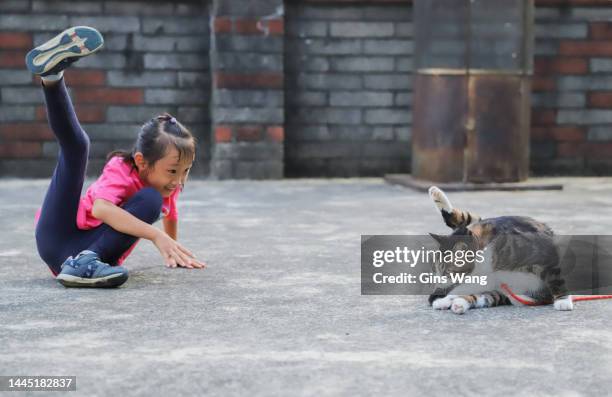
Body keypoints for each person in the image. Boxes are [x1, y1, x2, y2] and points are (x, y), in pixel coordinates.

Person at [26, 26, 206, 288]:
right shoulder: (121, 168)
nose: (178, 180)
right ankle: (52, 78)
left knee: (153, 199)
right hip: (57, 237)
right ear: (142, 161)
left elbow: (171, 215)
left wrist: (173, 249)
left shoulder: (167, 185)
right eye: (172, 171)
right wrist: (156, 236)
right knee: (77, 148)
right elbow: (101, 208)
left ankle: (85, 265)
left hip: (81, 252)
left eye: (185, 171)